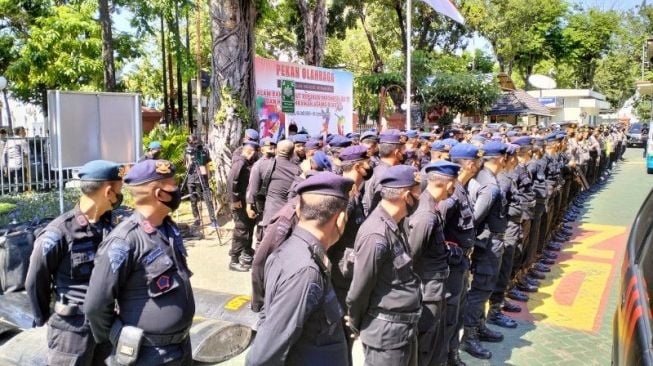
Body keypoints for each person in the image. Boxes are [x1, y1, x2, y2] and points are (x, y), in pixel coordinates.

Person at [85, 159, 195, 365]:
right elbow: (96, 305)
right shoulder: (124, 241)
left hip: (181, 346)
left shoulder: (167, 228)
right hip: (148, 354)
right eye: (173, 186)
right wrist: (117, 337)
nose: (178, 191)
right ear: (159, 194)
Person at [246, 172, 353, 366]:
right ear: (340, 218)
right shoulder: (306, 271)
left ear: (298, 210)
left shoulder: (293, 251)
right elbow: (262, 357)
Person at [25, 160, 124, 366]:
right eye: (119, 190)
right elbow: (35, 280)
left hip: (105, 325)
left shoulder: (112, 226)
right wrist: (45, 318)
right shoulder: (59, 232)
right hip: (71, 331)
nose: (120, 196)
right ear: (108, 192)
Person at [347, 165, 422, 366]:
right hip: (387, 333)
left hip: (403, 329)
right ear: (406, 195)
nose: (420, 197)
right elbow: (360, 289)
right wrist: (356, 324)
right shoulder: (376, 234)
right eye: (418, 191)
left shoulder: (396, 223)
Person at [408, 161, 459, 366]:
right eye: (454, 184)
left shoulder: (430, 206)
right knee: (425, 346)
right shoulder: (426, 216)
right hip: (427, 292)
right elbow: (411, 257)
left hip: (434, 288)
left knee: (433, 344)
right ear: (448, 184)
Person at [462, 141, 508, 360]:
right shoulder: (489, 185)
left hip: (488, 241)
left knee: (484, 288)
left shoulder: (483, 178)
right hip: (488, 243)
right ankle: (469, 335)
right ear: (499, 158)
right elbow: (475, 218)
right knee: (481, 288)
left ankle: (479, 326)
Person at [441, 143, 482, 365]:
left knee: (458, 310)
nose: (478, 165)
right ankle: (448, 356)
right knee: (450, 314)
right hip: (452, 264)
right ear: (466, 164)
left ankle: (453, 352)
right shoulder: (452, 193)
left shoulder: (463, 188)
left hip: (462, 261)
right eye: (474, 161)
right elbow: (437, 229)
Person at [247, 140, 300, 244]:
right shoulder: (298, 170)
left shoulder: (262, 165)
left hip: (269, 214)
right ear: (292, 152)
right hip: (288, 214)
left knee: (262, 244)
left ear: (277, 150)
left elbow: (253, 188)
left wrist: (249, 206)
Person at [227, 140, 259, 272]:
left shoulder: (247, 162)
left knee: (248, 227)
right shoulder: (240, 162)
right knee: (241, 229)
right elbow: (231, 181)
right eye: (253, 153)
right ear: (249, 152)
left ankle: (246, 251)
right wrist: (234, 200)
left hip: (245, 201)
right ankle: (234, 260)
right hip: (239, 202)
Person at [362, 130, 405, 215]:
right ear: (396, 153)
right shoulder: (386, 175)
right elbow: (370, 206)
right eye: (403, 149)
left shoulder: (380, 170)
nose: (405, 152)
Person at [184, 135, 213, 227]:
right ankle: (196, 219)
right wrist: (190, 158)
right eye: (191, 143)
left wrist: (208, 175)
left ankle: (213, 219)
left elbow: (207, 163)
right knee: (193, 200)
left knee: (208, 198)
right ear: (188, 143)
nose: (194, 145)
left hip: (202, 177)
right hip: (191, 178)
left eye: (195, 142)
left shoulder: (204, 150)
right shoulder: (187, 151)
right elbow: (187, 166)